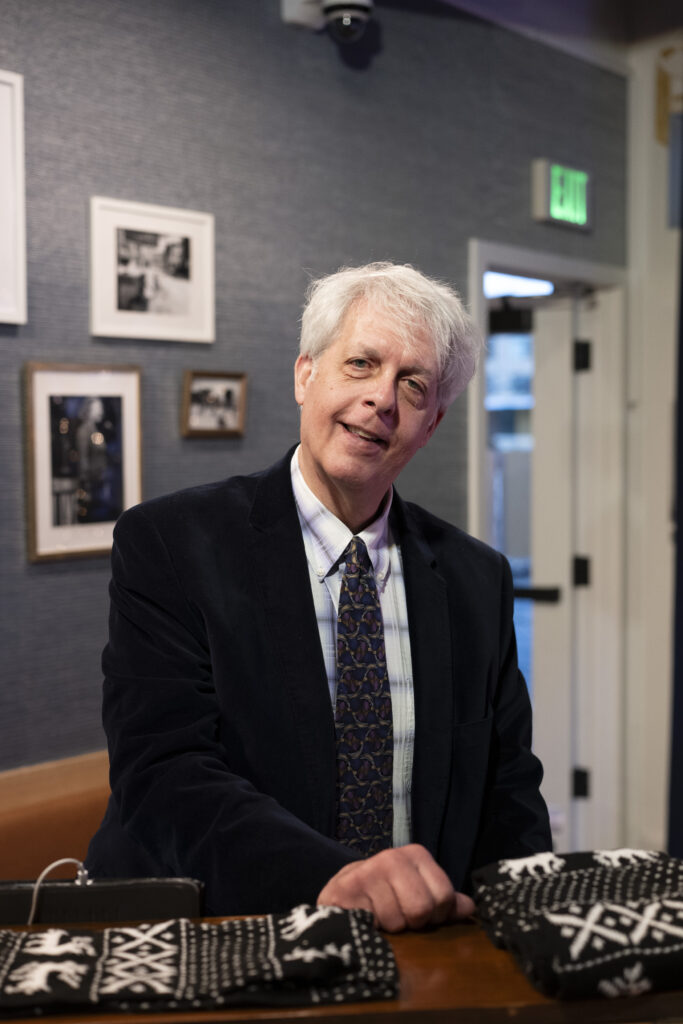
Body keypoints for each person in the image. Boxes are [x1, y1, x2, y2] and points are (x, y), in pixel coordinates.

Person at [86, 262, 551, 931]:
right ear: (305, 375)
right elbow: (163, 773)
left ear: (432, 423)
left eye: (413, 385)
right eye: (361, 364)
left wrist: (524, 940)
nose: (381, 399)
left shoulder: (476, 579)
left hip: (420, 947)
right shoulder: (170, 544)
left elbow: (508, 793)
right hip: (222, 935)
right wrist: (328, 880)